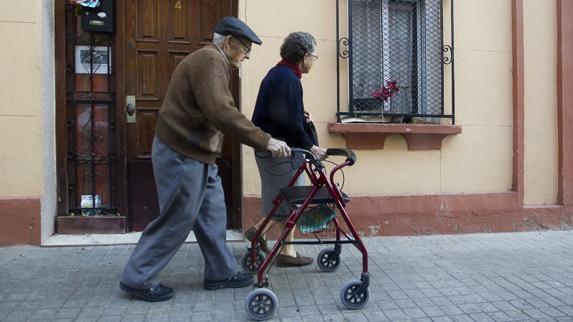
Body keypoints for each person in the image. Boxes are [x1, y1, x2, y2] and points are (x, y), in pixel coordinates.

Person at [119, 16, 291, 302]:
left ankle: (220, 271)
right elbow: (221, 112)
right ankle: (138, 277)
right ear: (228, 42)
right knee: (177, 217)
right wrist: (265, 140)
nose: (247, 55)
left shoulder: (215, 61)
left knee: (212, 213)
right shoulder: (211, 61)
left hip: (198, 154)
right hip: (181, 153)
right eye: (244, 48)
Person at [247, 32, 327, 267]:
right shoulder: (288, 78)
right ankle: (258, 231)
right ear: (304, 56)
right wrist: (311, 146)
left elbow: (285, 115)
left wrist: (301, 117)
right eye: (314, 56)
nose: (314, 60)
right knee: (286, 203)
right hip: (278, 151)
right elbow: (288, 124)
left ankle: (287, 251)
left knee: (290, 201)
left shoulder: (282, 74)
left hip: (277, 148)